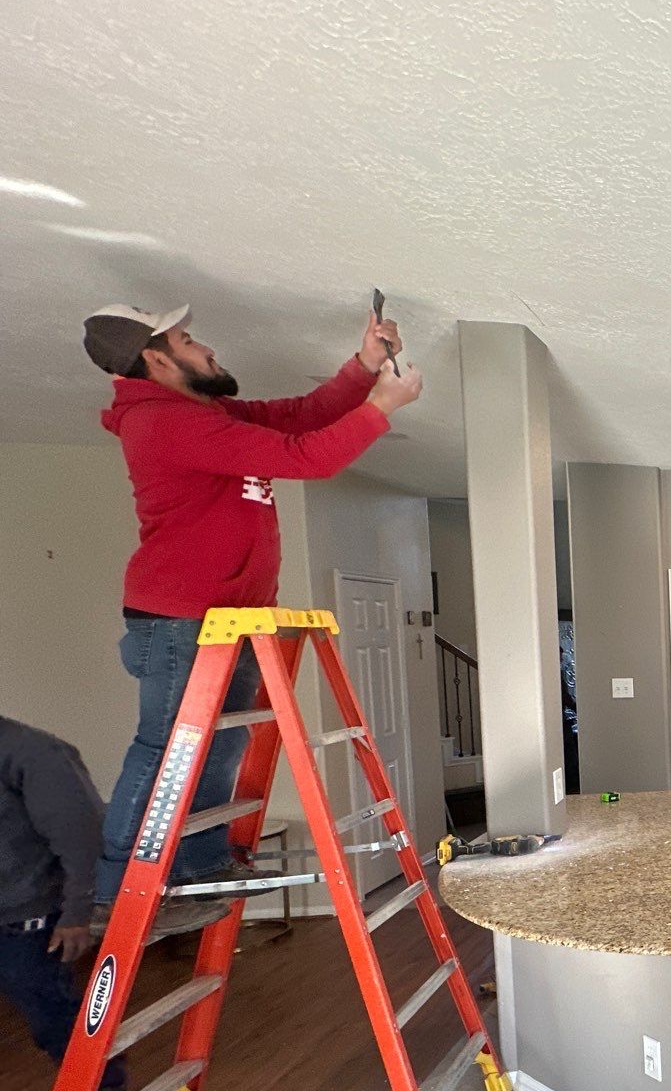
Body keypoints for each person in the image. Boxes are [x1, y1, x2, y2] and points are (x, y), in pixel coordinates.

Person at [82, 303, 424, 934]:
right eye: (187, 340)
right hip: (182, 617)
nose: (204, 345)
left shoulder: (201, 412)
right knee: (167, 752)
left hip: (230, 617)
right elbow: (306, 456)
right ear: (156, 360)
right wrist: (382, 408)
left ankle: (200, 867)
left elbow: (296, 418)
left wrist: (365, 367)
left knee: (224, 742)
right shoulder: (162, 422)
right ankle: (117, 893)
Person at [0, 715, 126, 1091]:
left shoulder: (34, 752)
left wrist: (78, 912)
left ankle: (103, 1084)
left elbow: (81, 838)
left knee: (50, 1013)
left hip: (26, 915)